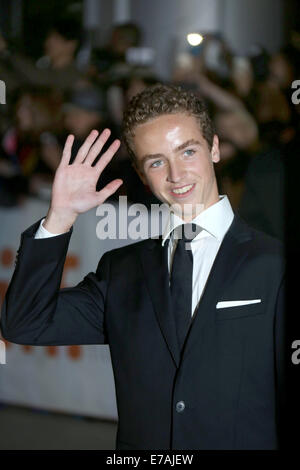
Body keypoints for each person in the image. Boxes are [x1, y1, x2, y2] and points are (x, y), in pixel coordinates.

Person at [0, 84, 286, 450]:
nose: (176, 174)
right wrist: (61, 216)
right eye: (156, 161)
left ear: (214, 147)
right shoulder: (121, 271)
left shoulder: (275, 265)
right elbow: (24, 323)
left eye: (187, 151)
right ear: (140, 172)